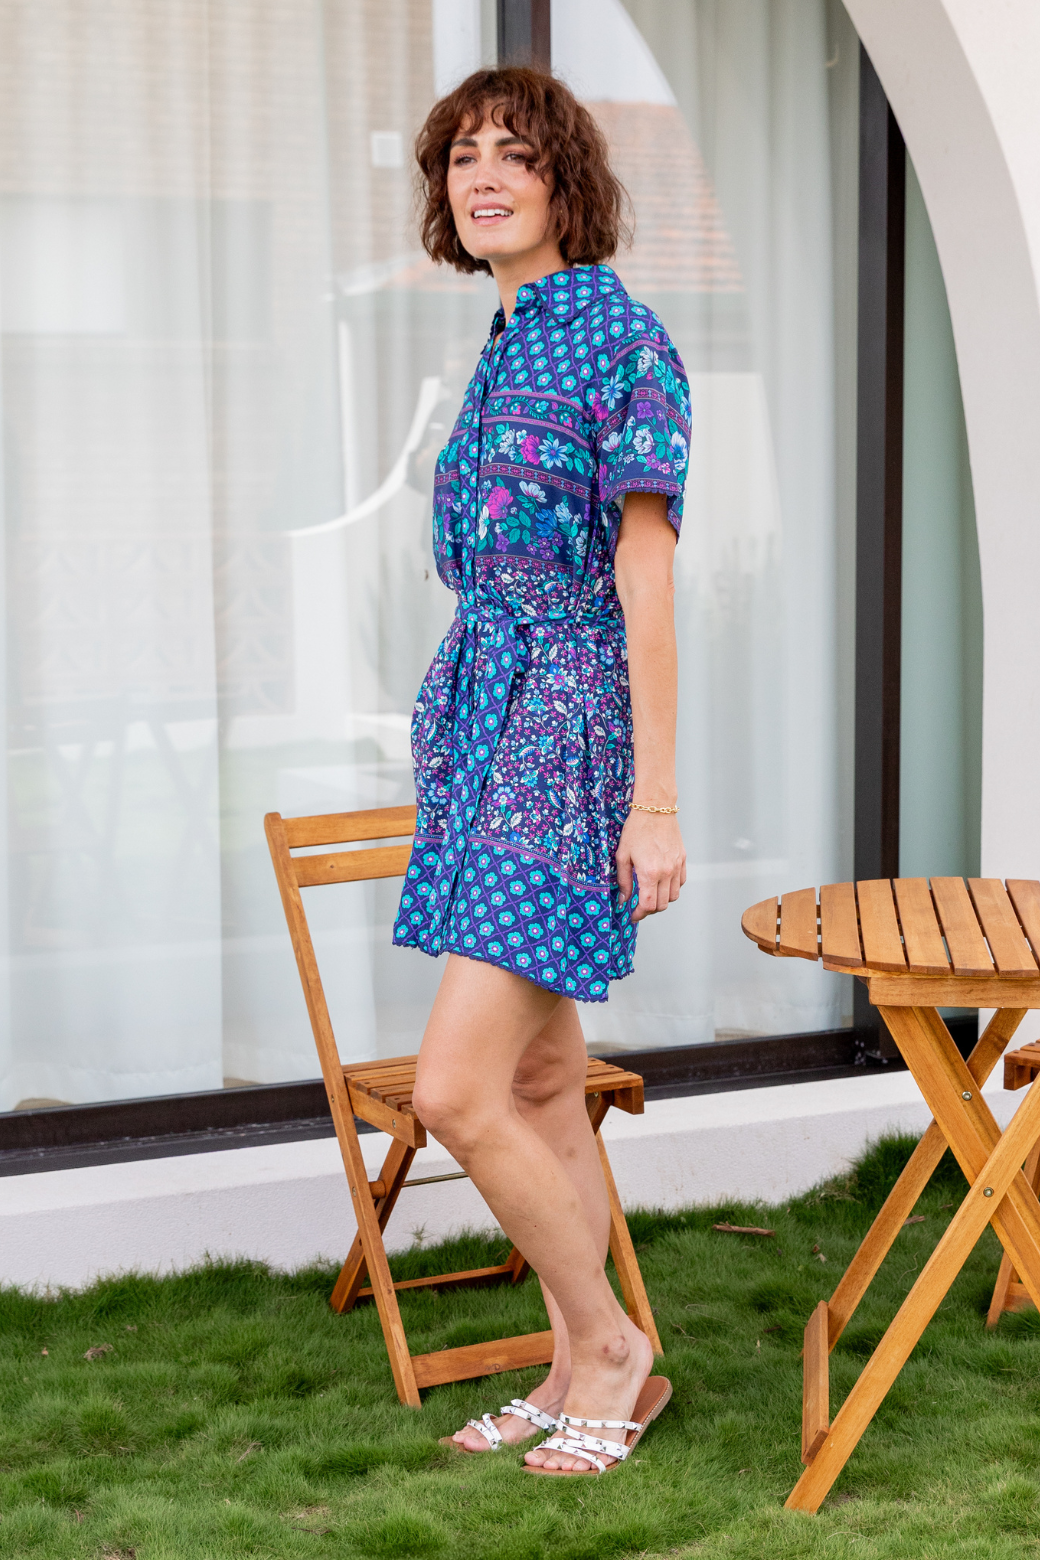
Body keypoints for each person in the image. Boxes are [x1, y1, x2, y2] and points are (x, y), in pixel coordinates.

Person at [393, 66, 689, 1475]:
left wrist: (656, 801)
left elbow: (646, 582)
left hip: (564, 727)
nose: (484, 177)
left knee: (454, 1090)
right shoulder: (508, 337)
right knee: (541, 1081)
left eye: (515, 153)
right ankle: (580, 1365)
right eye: (462, 157)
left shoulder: (623, 342)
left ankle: (612, 1347)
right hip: (485, 717)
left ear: (569, 181)